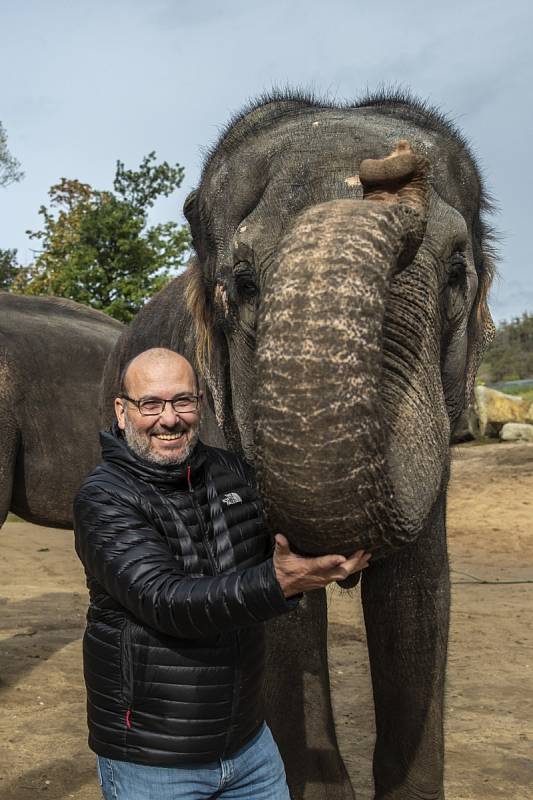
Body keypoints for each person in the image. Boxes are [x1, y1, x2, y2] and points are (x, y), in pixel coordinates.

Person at [74, 347, 370, 800]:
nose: (169, 419)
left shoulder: (231, 473)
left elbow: (290, 536)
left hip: (250, 747)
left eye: (182, 401)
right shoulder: (104, 498)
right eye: (150, 404)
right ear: (121, 410)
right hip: (154, 760)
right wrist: (279, 583)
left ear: (200, 402)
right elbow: (166, 602)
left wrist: (344, 541)